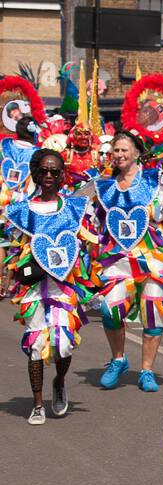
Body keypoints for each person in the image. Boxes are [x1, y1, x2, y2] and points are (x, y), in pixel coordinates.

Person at [92, 129, 163, 393]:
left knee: (153, 313)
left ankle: (147, 370)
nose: (119, 154)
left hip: (152, 257)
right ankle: (118, 360)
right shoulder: (103, 185)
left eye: (125, 150)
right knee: (109, 310)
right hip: (118, 258)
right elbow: (87, 216)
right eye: (116, 150)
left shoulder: (153, 182)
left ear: (137, 152)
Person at [2, 149, 97, 424]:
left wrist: (90, 281)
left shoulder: (73, 208)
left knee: (63, 346)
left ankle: (59, 381)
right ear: (34, 173)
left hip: (63, 287)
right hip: (33, 288)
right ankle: (37, 404)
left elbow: (86, 246)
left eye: (54, 171)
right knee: (36, 345)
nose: (48, 176)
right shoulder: (21, 211)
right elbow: (12, 247)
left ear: (62, 175)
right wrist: (8, 276)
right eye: (43, 170)